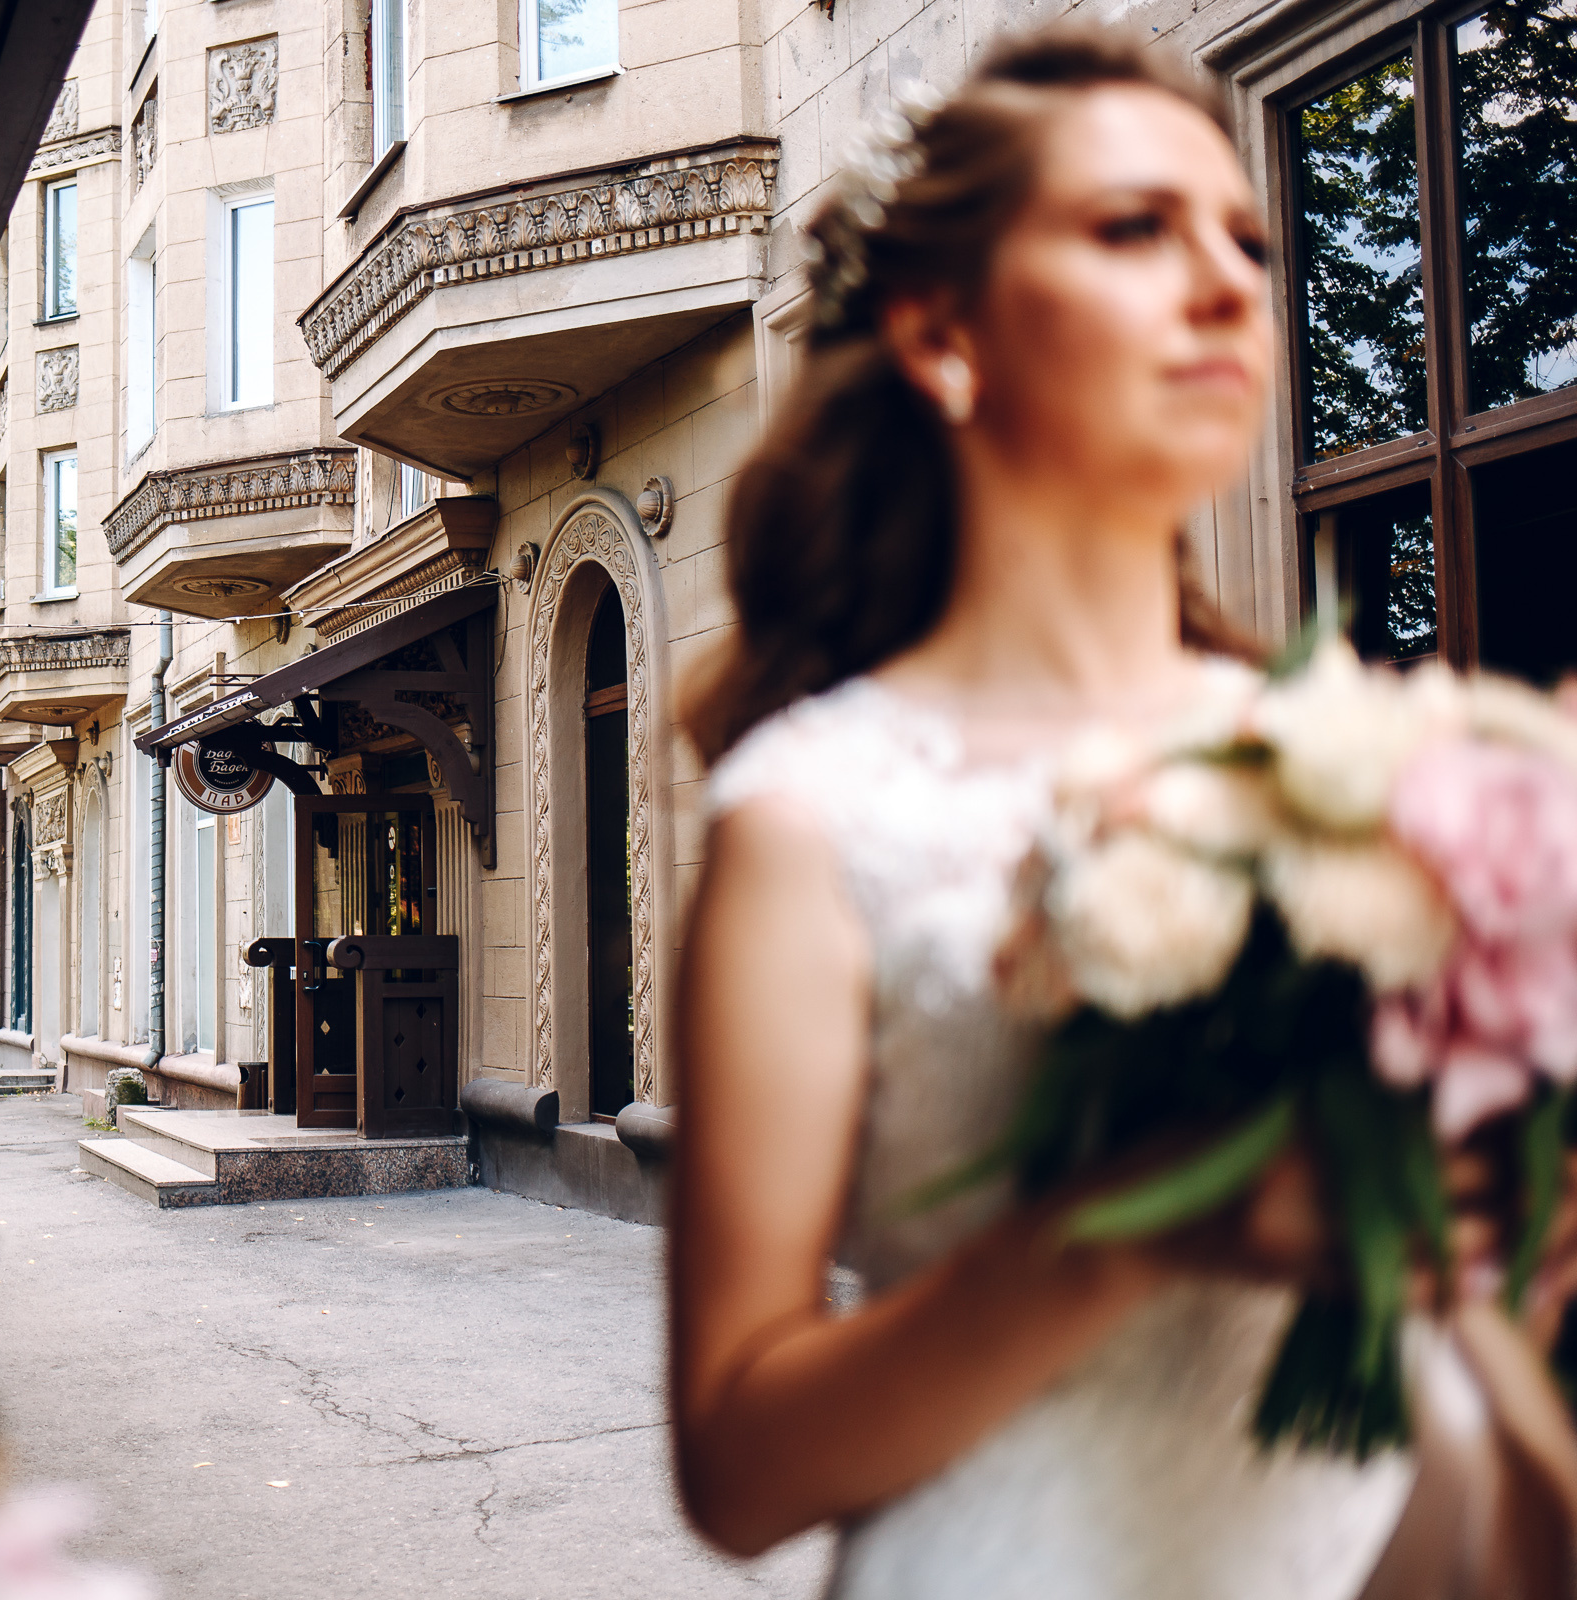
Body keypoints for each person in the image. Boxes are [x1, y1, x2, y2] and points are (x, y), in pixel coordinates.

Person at [670, 26, 1577, 1598]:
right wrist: (1142, 1225)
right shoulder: (810, 817)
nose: (1231, 284)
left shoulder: (1366, 756)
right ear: (943, 331)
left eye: (1247, 238)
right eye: (1132, 229)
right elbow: (736, 1471)